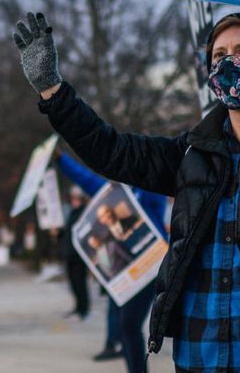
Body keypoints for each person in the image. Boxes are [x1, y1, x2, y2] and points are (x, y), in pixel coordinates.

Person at [12, 0, 240, 373]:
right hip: (201, 355)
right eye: (220, 55)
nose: (232, 61)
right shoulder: (192, 154)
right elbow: (112, 151)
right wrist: (52, 90)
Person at [56, 150, 169, 373]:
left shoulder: (150, 191)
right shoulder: (119, 193)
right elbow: (87, 181)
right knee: (126, 325)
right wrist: (61, 160)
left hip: (150, 266)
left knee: (129, 324)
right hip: (124, 270)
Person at [62, 185, 90, 320]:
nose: (73, 200)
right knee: (73, 283)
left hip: (79, 256)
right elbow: (67, 233)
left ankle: (83, 310)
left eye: (75, 197)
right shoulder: (72, 212)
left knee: (80, 284)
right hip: (70, 254)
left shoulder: (84, 212)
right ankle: (78, 307)